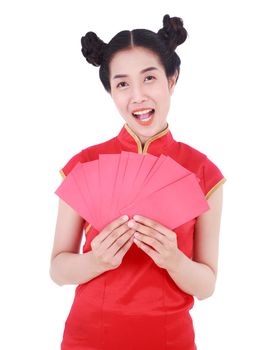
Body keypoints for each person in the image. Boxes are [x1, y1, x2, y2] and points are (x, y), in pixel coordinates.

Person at [50, 14, 226, 350]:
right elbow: (58, 269)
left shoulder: (203, 172)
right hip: (89, 337)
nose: (138, 96)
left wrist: (174, 260)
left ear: (171, 80)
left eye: (149, 78)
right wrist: (95, 261)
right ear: (111, 92)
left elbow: (206, 286)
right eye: (122, 84)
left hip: (169, 339)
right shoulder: (84, 165)